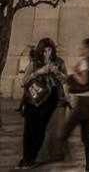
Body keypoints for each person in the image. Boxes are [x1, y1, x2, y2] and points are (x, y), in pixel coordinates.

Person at [18, 37, 66, 169]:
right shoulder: (34, 63)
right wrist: (38, 72)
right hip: (32, 98)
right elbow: (23, 82)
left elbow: (65, 80)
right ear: (40, 51)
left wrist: (57, 73)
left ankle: (30, 158)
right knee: (28, 130)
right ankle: (26, 159)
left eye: (49, 50)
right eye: (44, 51)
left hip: (50, 100)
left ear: (53, 50)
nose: (46, 53)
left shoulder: (59, 62)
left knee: (39, 130)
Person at [60, 38, 89, 171]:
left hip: (82, 104)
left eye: (83, 47)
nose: (81, 49)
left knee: (63, 134)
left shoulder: (84, 62)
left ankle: (68, 158)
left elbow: (84, 82)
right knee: (87, 139)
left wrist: (74, 73)